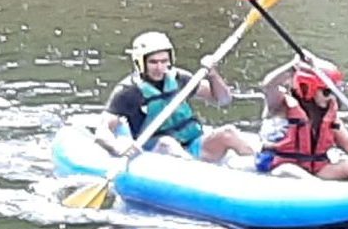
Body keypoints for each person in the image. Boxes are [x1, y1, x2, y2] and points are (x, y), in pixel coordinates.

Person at [95, 31, 258, 163]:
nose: (159, 67)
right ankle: (200, 178)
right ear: (140, 62)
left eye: (164, 61)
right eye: (153, 62)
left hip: (193, 144)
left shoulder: (180, 79)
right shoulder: (129, 91)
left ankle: (260, 168)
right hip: (154, 151)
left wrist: (213, 75)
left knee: (228, 132)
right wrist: (117, 148)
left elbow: (223, 100)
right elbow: (103, 131)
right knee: (168, 143)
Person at [256, 61, 348, 183]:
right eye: (327, 92)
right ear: (307, 87)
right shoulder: (281, 106)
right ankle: (322, 191)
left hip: (315, 170)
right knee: (288, 170)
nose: (332, 98)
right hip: (277, 169)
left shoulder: (329, 115)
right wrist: (293, 66)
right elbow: (269, 86)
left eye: (335, 93)